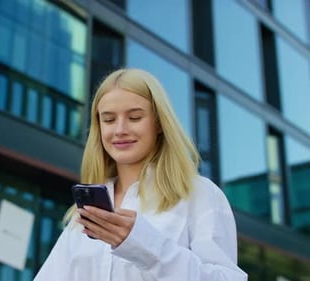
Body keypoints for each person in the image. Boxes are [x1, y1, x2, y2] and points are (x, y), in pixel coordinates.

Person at [33, 68, 248, 280]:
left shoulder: (198, 194)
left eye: (135, 117)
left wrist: (143, 244)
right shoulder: (85, 214)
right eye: (108, 120)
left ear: (159, 123)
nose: (120, 130)